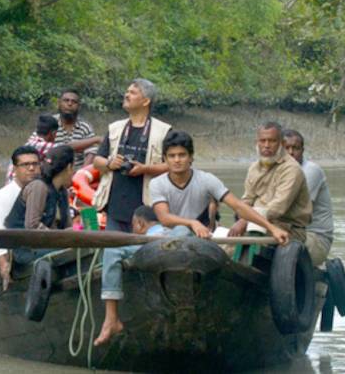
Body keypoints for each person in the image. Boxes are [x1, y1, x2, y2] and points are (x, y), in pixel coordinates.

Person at [151, 130, 290, 243]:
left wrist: (272, 228)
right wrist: (191, 223)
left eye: (182, 155)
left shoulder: (206, 180)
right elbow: (164, 217)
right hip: (168, 239)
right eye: (172, 156)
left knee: (184, 232)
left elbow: (238, 206)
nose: (177, 160)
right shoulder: (157, 183)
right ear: (165, 159)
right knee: (179, 231)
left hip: (201, 238)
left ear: (191, 157)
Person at [92, 79, 172, 232]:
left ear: (146, 101)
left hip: (148, 209)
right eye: (127, 91)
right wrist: (110, 163)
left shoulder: (164, 131)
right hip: (115, 207)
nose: (126, 95)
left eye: (133, 93)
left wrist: (145, 169)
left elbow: (173, 166)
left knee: (144, 253)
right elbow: (97, 161)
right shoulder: (115, 128)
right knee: (113, 252)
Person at [94, 205, 167, 346]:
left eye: (133, 225)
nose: (133, 230)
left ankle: (111, 318)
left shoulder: (149, 238)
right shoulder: (176, 231)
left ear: (140, 224)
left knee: (112, 251)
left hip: (154, 247)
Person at [229, 122, 312, 243]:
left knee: (240, 245)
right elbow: (247, 200)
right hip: (256, 224)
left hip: (289, 229)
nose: (266, 145)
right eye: (262, 141)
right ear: (257, 143)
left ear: (281, 144)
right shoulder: (254, 168)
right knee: (221, 242)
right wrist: (241, 216)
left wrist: (246, 220)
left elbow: (277, 208)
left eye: (272, 141)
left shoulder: (292, 169)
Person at [5, 145, 75, 265]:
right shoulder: (39, 187)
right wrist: (61, 238)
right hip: (24, 250)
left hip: (44, 244)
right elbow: (32, 226)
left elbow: (65, 227)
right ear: (69, 167)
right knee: (75, 251)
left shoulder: (62, 191)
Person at [0, 145, 41, 288]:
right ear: (15, 169)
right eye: (25, 165)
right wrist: (4, 265)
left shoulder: (43, 190)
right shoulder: (3, 197)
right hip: (12, 256)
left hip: (36, 250)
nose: (31, 168)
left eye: (35, 164)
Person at [282, 129, 333, 267]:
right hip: (289, 232)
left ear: (302, 151)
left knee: (277, 247)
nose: (291, 153)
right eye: (286, 148)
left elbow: (293, 211)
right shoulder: (275, 172)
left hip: (315, 238)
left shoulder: (310, 171)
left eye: (295, 148)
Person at [54, 89, 102, 168]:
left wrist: (81, 174)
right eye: (66, 100)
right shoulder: (50, 123)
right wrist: (95, 139)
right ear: (59, 103)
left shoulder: (84, 127)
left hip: (77, 171)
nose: (70, 104)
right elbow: (36, 147)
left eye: (74, 102)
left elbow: (92, 152)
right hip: (52, 172)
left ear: (79, 106)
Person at [5, 114, 59, 183]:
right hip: (16, 187)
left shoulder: (33, 139)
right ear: (54, 133)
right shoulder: (41, 145)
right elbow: (64, 149)